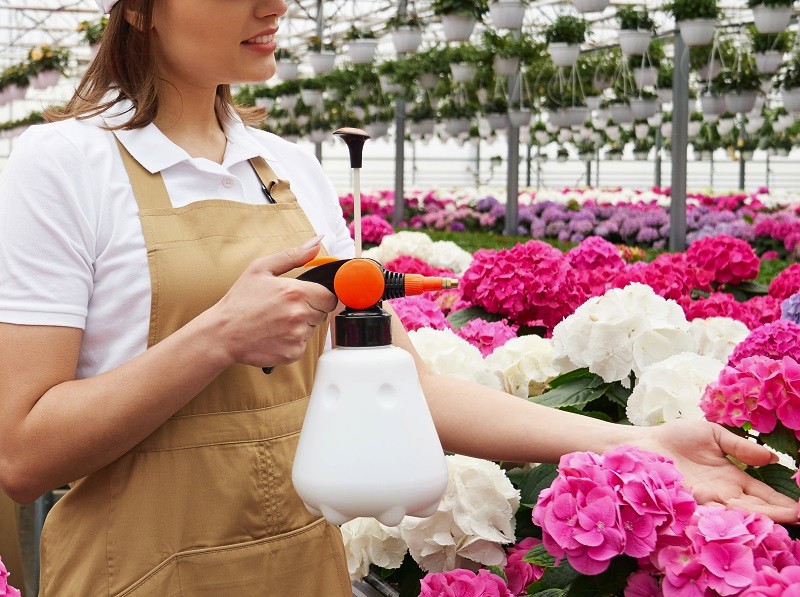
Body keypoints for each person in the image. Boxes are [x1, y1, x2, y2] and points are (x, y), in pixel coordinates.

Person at [0, 0, 795, 594]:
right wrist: (217, 337)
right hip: (138, 573)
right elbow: (23, 450)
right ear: (137, 8)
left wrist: (636, 446)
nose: (275, 5)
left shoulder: (285, 168)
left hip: (299, 569)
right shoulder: (65, 163)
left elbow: (413, 388)